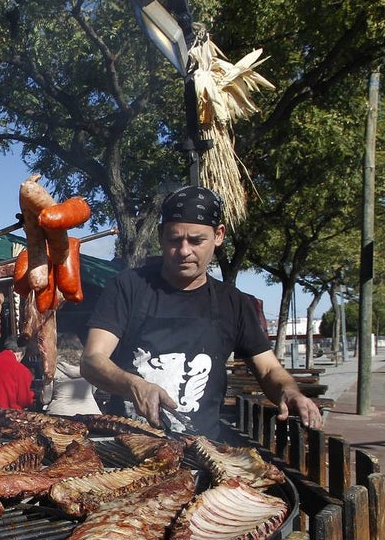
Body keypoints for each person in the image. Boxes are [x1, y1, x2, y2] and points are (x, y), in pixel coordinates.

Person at [81, 186, 323, 438]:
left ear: (218, 235)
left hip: (202, 447)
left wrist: (290, 392)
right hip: (128, 443)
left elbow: (268, 370)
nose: (184, 251)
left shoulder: (234, 302)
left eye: (196, 241)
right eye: (175, 240)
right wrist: (133, 384)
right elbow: (92, 360)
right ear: (162, 235)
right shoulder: (127, 287)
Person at [46, 334, 101, 416]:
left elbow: (45, 399)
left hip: (59, 412)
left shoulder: (52, 368)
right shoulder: (88, 367)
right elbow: (93, 391)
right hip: (90, 412)